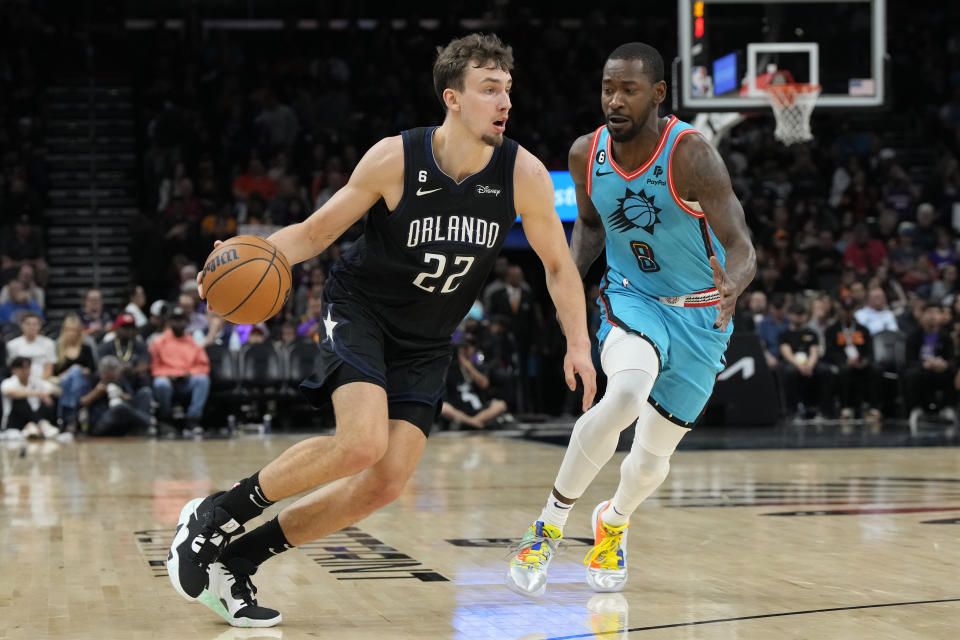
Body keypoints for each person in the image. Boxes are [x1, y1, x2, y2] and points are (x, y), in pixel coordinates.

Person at [166, 33, 595, 628]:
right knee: (361, 442)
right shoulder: (396, 158)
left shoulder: (521, 174)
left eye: (508, 90)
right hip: (363, 310)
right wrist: (249, 253)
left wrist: (578, 342)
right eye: (489, 89)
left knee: (384, 482)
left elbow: (556, 266)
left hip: (428, 339)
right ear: (453, 98)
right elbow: (315, 235)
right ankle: (214, 515)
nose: (504, 102)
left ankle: (237, 560)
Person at [505, 42, 755, 596]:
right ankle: (545, 526)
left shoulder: (691, 154)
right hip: (630, 299)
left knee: (651, 461)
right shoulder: (584, 153)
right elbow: (591, 227)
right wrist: (567, 281)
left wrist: (733, 282)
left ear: (659, 94)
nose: (613, 100)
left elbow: (741, 244)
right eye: (607, 88)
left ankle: (612, 523)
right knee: (623, 395)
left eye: (628, 89)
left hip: (699, 316)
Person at [149, 306, 210, 433]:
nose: (178, 323)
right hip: (168, 380)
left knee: (202, 380)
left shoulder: (193, 342)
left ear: (186, 322)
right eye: (175, 320)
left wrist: (190, 374)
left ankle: (192, 419)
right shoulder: (158, 342)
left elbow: (203, 366)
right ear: (169, 322)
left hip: (187, 381)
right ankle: (166, 419)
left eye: (181, 320)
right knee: (161, 383)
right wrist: (168, 374)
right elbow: (154, 367)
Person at [0, 356, 59, 439]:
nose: (25, 371)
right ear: (14, 370)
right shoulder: (8, 382)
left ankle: (34, 426)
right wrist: (37, 393)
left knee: (48, 401)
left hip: (34, 415)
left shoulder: (34, 381)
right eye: (22, 368)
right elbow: (9, 392)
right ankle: (41, 424)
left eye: (28, 367)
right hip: (14, 421)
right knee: (20, 401)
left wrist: (45, 395)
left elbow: (54, 389)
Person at [6, 312, 56, 382]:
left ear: (40, 326)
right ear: (22, 325)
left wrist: (39, 384)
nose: (31, 327)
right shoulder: (12, 345)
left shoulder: (49, 343)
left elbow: (49, 369)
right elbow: (13, 370)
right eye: (28, 324)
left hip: (43, 381)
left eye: (35, 324)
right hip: (19, 382)